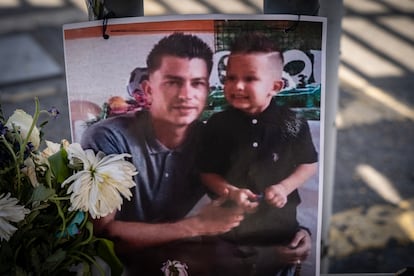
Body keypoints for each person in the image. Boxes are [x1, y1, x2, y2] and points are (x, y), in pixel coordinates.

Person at [81, 32, 312, 275]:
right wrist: (196, 226)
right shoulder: (108, 138)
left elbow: (253, 191)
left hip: (176, 258)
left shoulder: (212, 138)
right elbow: (101, 236)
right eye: (173, 82)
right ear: (148, 90)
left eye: (198, 83)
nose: (186, 95)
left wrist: (297, 232)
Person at [197, 32, 318, 275]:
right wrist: (231, 191)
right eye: (230, 78)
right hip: (228, 234)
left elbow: (308, 164)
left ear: (275, 86)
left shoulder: (293, 122)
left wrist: (284, 187)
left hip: (280, 234)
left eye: (249, 78)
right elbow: (206, 173)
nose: (236, 86)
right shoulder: (217, 124)